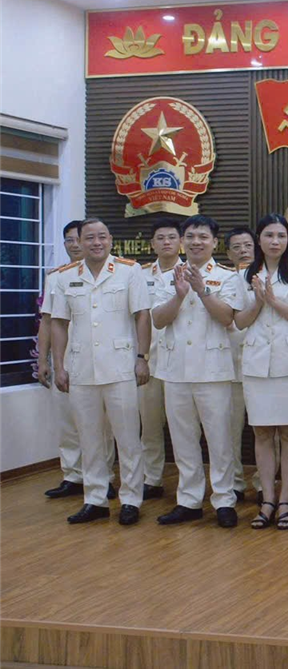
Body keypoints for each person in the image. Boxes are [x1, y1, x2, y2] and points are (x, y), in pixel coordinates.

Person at [50, 218, 151, 525]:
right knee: (89, 438)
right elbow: (58, 323)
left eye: (102, 237)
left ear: (110, 240)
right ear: (79, 242)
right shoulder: (65, 276)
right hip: (81, 369)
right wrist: (59, 365)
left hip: (120, 367)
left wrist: (142, 356)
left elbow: (142, 315)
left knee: (127, 439)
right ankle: (95, 499)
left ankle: (131, 499)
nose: (96, 243)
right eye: (90, 238)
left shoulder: (129, 270)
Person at [150, 215, 240, 528]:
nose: (196, 242)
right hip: (175, 370)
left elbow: (227, 318)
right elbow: (158, 320)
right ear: (182, 241)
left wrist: (202, 290)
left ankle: (224, 500)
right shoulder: (166, 277)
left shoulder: (227, 277)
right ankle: (189, 501)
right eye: (190, 236)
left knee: (219, 440)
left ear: (215, 242)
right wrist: (179, 294)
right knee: (183, 440)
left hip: (213, 371)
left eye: (203, 237)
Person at [232, 214, 288, 530]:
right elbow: (239, 321)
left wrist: (273, 302)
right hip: (256, 363)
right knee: (262, 433)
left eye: (281, 236)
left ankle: (286, 499)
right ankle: (267, 499)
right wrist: (257, 302)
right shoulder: (243, 275)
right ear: (258, 239)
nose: (275, 241)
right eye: (269, 235)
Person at [38, 220, 114, 500]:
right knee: (67, 420)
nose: (74, 244)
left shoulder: (113, 273)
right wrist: (44, 360)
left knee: (100, 424)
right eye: (69, 240)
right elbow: (47, 321)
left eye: (77, 239)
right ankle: (72, 475)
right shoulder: (56, 277)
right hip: (64, 357)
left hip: (97, 356)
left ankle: (104, 477)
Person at [137, 217, 182, 501]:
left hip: (182, 363)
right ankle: (151, 479)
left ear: (181, 242)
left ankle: (188, 484)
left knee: (185, 429)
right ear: (152, 244)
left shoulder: (191, 273)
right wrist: (139, 356)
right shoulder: (139, 275)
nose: (166, 242)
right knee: (150, 426)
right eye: (160, 238)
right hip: (151, 360)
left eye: (171, 237)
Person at [224, 227, 255, 500]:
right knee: (230, 431)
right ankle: (234, 481)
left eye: (248, 245)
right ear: (228, 253)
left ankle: (263, 482)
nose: (243, 251)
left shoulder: (269, 278)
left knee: (267, 431)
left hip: (261, 367)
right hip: (230, 367)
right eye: (237, 247)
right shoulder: (223, 280)